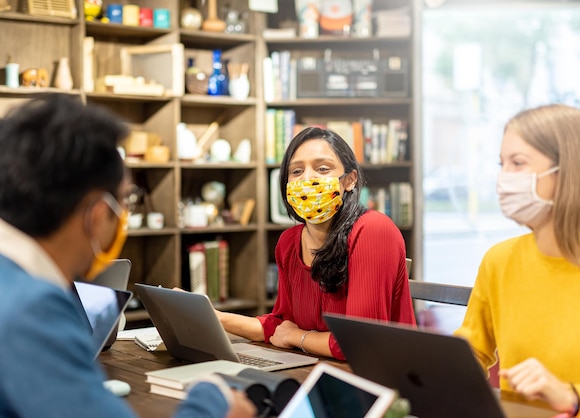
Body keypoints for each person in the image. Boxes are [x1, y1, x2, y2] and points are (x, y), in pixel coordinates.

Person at [0, 94, 255, 418]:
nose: (123, 215)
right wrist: (213, 399)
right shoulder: (33, 310)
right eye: (124, 202)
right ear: (96, 214)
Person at [454, 103, 580, 416]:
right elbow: (471, 352)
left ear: (571, 172)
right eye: (502, 164)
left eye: (518, 163)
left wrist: (573, 397)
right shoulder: (499, 260)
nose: (504, 178)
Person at [217, 127, 416, 360]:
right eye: (297, 171)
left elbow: (361, 342)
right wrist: (211, 316)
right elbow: (281, 325)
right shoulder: (289, 242)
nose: (308, 178)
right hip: (315, 369)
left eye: (322, 169)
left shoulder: (374, 230)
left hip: (379, 380)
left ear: (349, 180)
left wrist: (297, 337)